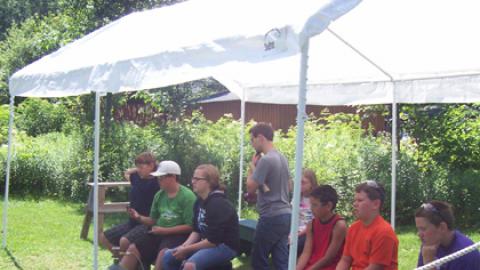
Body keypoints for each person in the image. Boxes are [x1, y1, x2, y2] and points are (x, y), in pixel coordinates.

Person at [116, 160, 196, 270]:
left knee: (163, 254)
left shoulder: (188, 196)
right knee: (133, 248)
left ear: (172, 177)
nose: (158, 180)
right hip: (158, 233)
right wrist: (138, 217)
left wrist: (164, 231)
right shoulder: (159, 195)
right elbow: (153, 220)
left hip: (178, 236)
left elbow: (191, 227)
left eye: (161, 177)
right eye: (158, 177)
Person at [162, 164, 239, 270]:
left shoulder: (218, 204)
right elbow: (196, 230)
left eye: (197, 179)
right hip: (208, 243)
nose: (193, 181)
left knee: (190, 265)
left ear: (209, 182)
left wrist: (187, 250)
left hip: (224, 246)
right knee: (168, 256)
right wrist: (183, 247)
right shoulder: (199, 201)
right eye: (193, 178)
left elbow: (213, 241)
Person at [247, 122, 292, 270]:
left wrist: (252, 168)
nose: (252, 145)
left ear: (260, 137)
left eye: (252, 140)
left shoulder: (265, 160)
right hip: (286, 214)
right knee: (281, 261)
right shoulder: (282, 158)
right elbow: (289, 186)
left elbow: (250, 188)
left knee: (259, 260)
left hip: (271, 216)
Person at [100, 152, 160, 256]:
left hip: (147, 223)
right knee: (103, 237)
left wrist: (153, 168)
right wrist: (138, 168)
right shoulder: (136, 177)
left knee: (124, 241)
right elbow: (127, 173)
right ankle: (121, 260)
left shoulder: (158, 181)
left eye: (141, 167)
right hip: (132, 221)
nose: (139, 169)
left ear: (151, 165)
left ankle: (126, 263)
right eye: (137, 167)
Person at [336, 180, 398, 270]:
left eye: (360, 200)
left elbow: (375, 267)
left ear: (376, 204)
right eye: (355, 200)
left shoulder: (384, 232)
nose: (355, 204)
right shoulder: (353, 228)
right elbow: (345, 260)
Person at [415, 200, 480, 269]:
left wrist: (428, 262)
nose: (419, 234)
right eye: (418, 229)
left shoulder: (465, 255)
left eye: (423, 229)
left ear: (442, 227)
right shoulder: (429, 245)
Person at [296, 185, 347, 270]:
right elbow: (306, 253)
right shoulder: (311, 224)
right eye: (311, 204)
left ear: (328, 206)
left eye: (315, 205)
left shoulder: (339, 225)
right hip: (310, 265)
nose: (311, 208)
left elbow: (329, 258)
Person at [296, 169, 318, 257]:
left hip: (308, 232)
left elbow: (314, 223)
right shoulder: (297, 197)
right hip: (295, 230)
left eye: (303, 182)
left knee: (294, 245)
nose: (300, 185)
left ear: (312, 184)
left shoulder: (315, 200)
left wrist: (297, 235)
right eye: (299, 182)